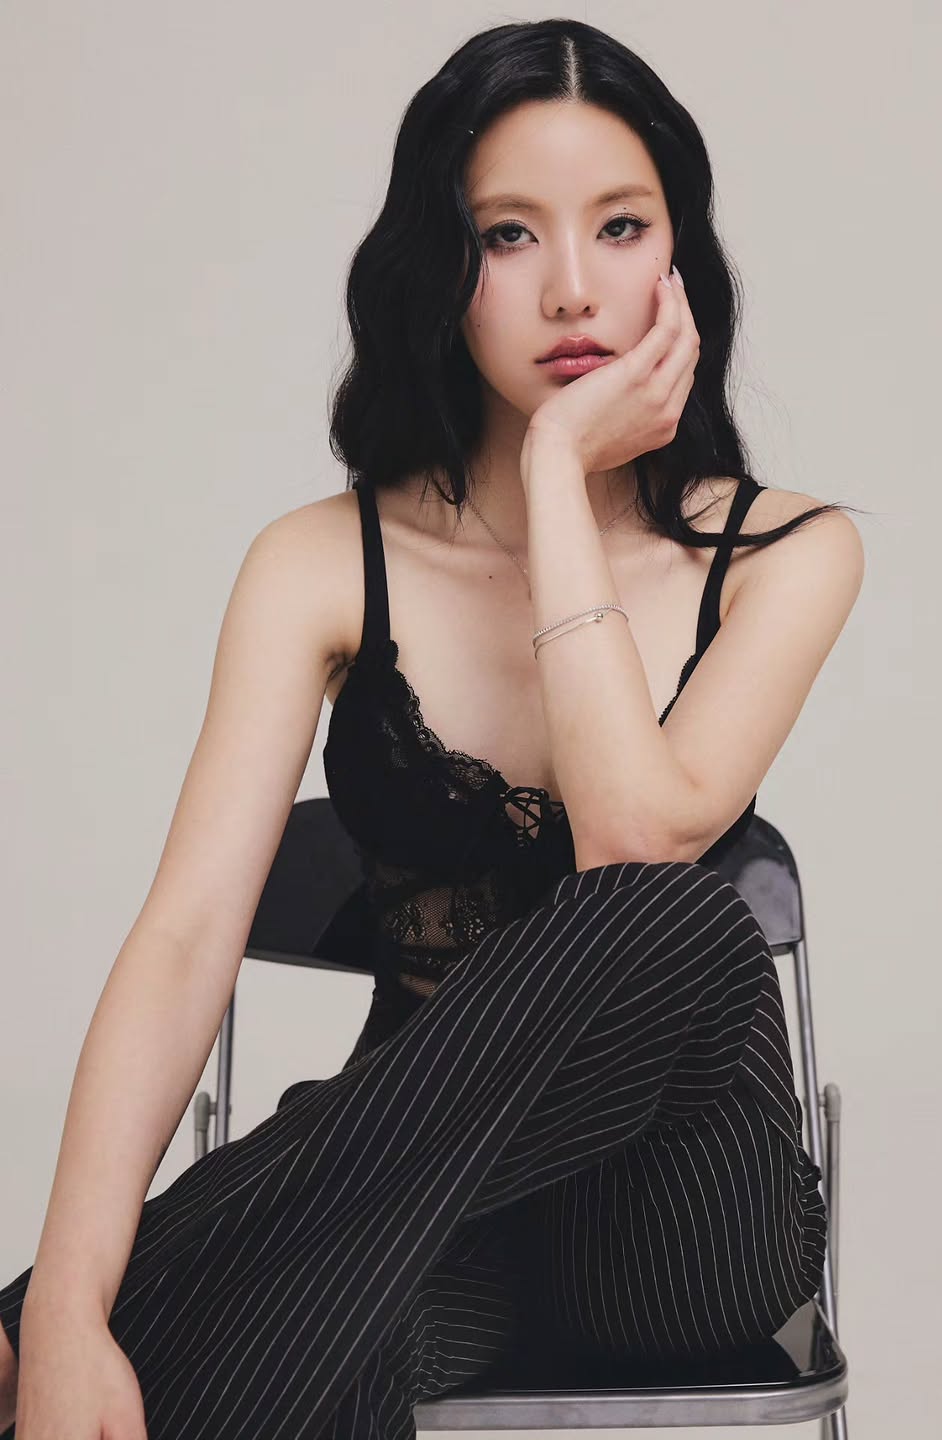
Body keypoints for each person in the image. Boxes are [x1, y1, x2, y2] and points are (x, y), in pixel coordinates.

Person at [0, 17, 865, 1440]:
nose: (573, 286)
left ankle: (27, 1318)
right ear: (441, 269)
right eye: (509, 235)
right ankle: (66, 1324)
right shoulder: (319, 563)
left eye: (622, 226)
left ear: (680, 261)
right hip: (421, 1207)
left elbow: (631, 837)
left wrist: (556, 473)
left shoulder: (788, 553)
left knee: (671, 913)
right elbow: (186, 937)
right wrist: (80, 1318)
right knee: (291, 1341)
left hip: (676, 1229)